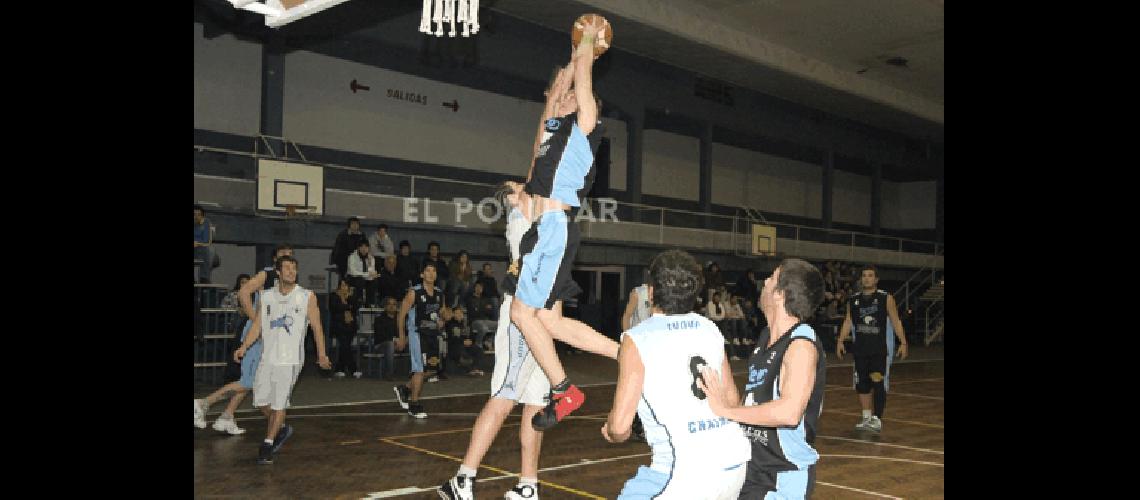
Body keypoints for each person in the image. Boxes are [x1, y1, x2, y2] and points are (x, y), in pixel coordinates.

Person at [509, 18, 620, 431]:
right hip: (544, 232)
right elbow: (550, 107)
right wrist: (565, 73)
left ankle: (563, 388)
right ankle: (627, 353)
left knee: (523, 314)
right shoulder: (554, 132)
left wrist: (586, 47)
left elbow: (583, 84)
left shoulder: (586, 126)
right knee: (550, 321)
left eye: (572, 96)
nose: (565, 96)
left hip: (554, 229)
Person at [603, 249, 750, 499]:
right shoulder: (710, 328)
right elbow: (733, 401)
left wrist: (611, 430)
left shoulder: (637, 338)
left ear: (651, 292)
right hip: (735, 461)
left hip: (683, 470)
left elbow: (620, 427)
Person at [438, 180, 551, 500]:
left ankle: (528, 483)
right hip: (520, 317)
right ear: (512, 199)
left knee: (536, 404)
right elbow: (538, 175)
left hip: (538, 319)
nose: (527, 187)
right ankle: (462, 479)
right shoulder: (520, 220)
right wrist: (546, 130)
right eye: (519, 187)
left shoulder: (534, 216)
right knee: (505, 395)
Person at [699, 258, 827, 499]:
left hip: (781, 475)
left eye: (771, 278)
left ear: (780, 294)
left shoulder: (800, 345)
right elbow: (753, 404)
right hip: (753, 467)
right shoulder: (766, 338)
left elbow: (788, 413)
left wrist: (725, 411)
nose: (764, 282)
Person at [234, 256, 332, 465]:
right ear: (277, 272)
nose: (291, 271)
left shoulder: (306, 296)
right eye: (286, 268)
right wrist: (244, 346)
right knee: (260, 401)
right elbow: (258, 326)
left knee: (279, 403)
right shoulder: (266, 296)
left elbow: (317, 328)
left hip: (290, 360)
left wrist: (322, 354)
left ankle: (268, 444)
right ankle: (280, 427)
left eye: (294, 268)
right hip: (267, 357)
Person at [835, 264, 909, 433]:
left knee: (878, 383)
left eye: (870, 275)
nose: (866, 278)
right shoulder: (853, 300)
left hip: (878, 351)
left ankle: (877, 418)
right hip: (860, 351)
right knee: (862, 385)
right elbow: (848, 321)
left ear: (876, 279)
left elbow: (896, 321)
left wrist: (903, 342)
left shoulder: (885, 298)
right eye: (864, 275)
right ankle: (866, 417)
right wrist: (840, 340)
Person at [392, 261, 447, 419]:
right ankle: (414, 404)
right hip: (417, 334)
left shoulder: (439, 294)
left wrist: (445, 318)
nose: (431, 274)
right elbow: (401, 315)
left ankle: (405, 389)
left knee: (431, 369)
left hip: (432, 334)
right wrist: (402, 337)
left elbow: (443, 312)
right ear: (422, 274)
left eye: (433, 271)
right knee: (419, 370)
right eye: (427, 271)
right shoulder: (414, 292)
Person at [330, 279, 362, 379]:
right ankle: (353, 369)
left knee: (345, 346)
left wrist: (348, 303)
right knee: (345, 346)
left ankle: (340, 369)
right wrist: (348, 306)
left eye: (346, 285)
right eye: (342, 285)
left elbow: (356, 307)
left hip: (350, 326)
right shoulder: (334, 295)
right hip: (339, 325)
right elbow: (335, 308)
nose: (344, 287)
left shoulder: (352, 296)